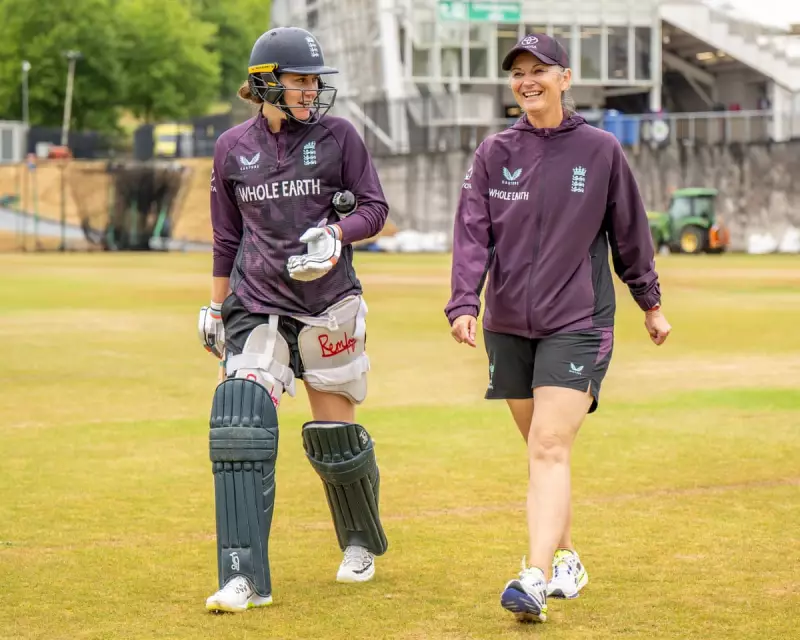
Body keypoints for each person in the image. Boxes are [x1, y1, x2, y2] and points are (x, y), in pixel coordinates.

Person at [444, 33, 672, 624]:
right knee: (544, 451)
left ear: (564, 79)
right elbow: (472, 234)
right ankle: (569, 557)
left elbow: (630, 232)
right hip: (507, 324)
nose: (527, 81)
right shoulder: (493, 152)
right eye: (518, 72)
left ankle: (534, 577)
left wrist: (649, 302)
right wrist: (464, 302)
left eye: (539, 70)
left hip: (577, 320)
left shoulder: (600, 150)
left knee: (548, 445)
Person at [197, 26, 390, 614]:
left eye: (314, 81)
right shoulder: (232, 147)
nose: (311, 90)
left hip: (329, 304)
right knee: (239, 423)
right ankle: (243, 577)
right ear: (265, 84)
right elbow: (226, 235)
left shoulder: (339, 136)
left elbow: (374, 208)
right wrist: (215, 305)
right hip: (258, 303)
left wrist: (337, 234)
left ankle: (358, 542)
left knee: (335, 438)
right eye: (300, 80)